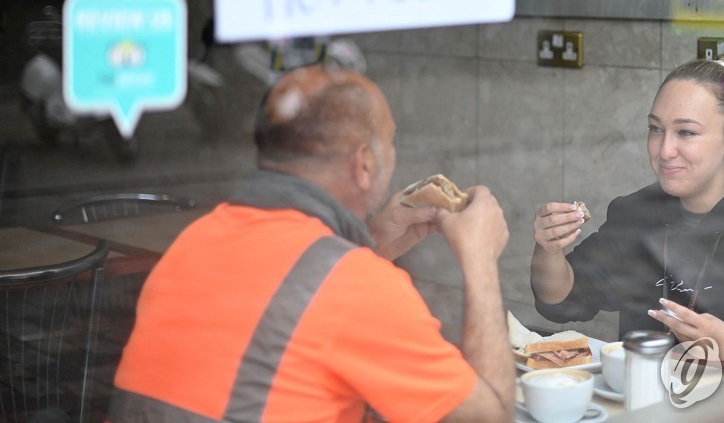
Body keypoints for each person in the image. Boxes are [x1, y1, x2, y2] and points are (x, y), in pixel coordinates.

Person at [108, 64, 515, 422]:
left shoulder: (197, 239)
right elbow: (489, 416)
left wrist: (372, 244)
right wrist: (480, 258)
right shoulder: (359, 288)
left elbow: (289, 307)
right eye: (390, 141)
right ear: (365, 165)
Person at [530, 55, 724, 367]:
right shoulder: (637, 214)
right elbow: (561, 300)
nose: (665, 150)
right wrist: (548, 250)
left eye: (686, 132)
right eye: (656, 129)